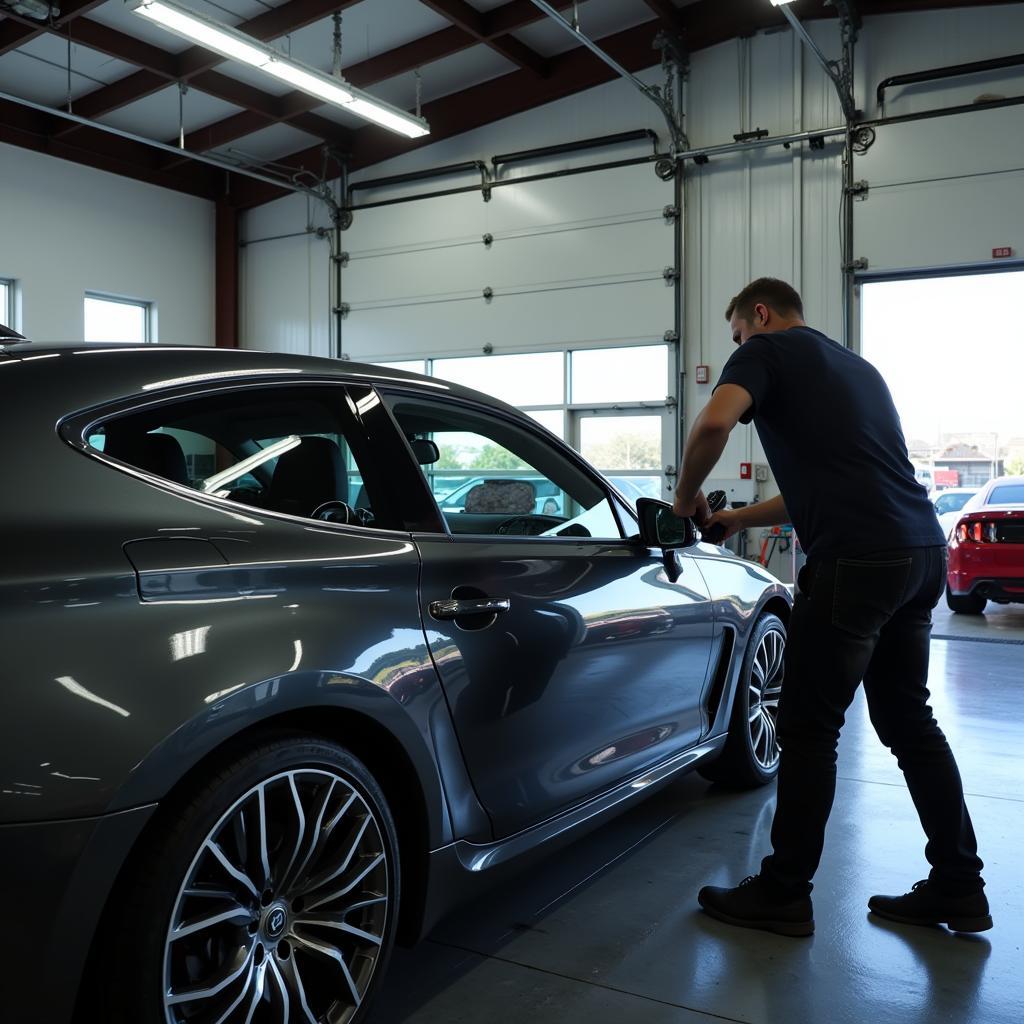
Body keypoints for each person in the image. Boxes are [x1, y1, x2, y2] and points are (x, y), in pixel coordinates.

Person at [673, 277, 990, 937]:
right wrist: (735, 518)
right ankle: (960, 886)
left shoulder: (767, 351)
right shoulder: (857, 369)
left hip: (858, 561)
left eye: (736, 334)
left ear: (759, 315)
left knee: (809, 729)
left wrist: (686, 500)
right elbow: (838, 482)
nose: (736, 347)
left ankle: (785, 891)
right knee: (909, 724)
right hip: (919, 553)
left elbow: (712, 422)